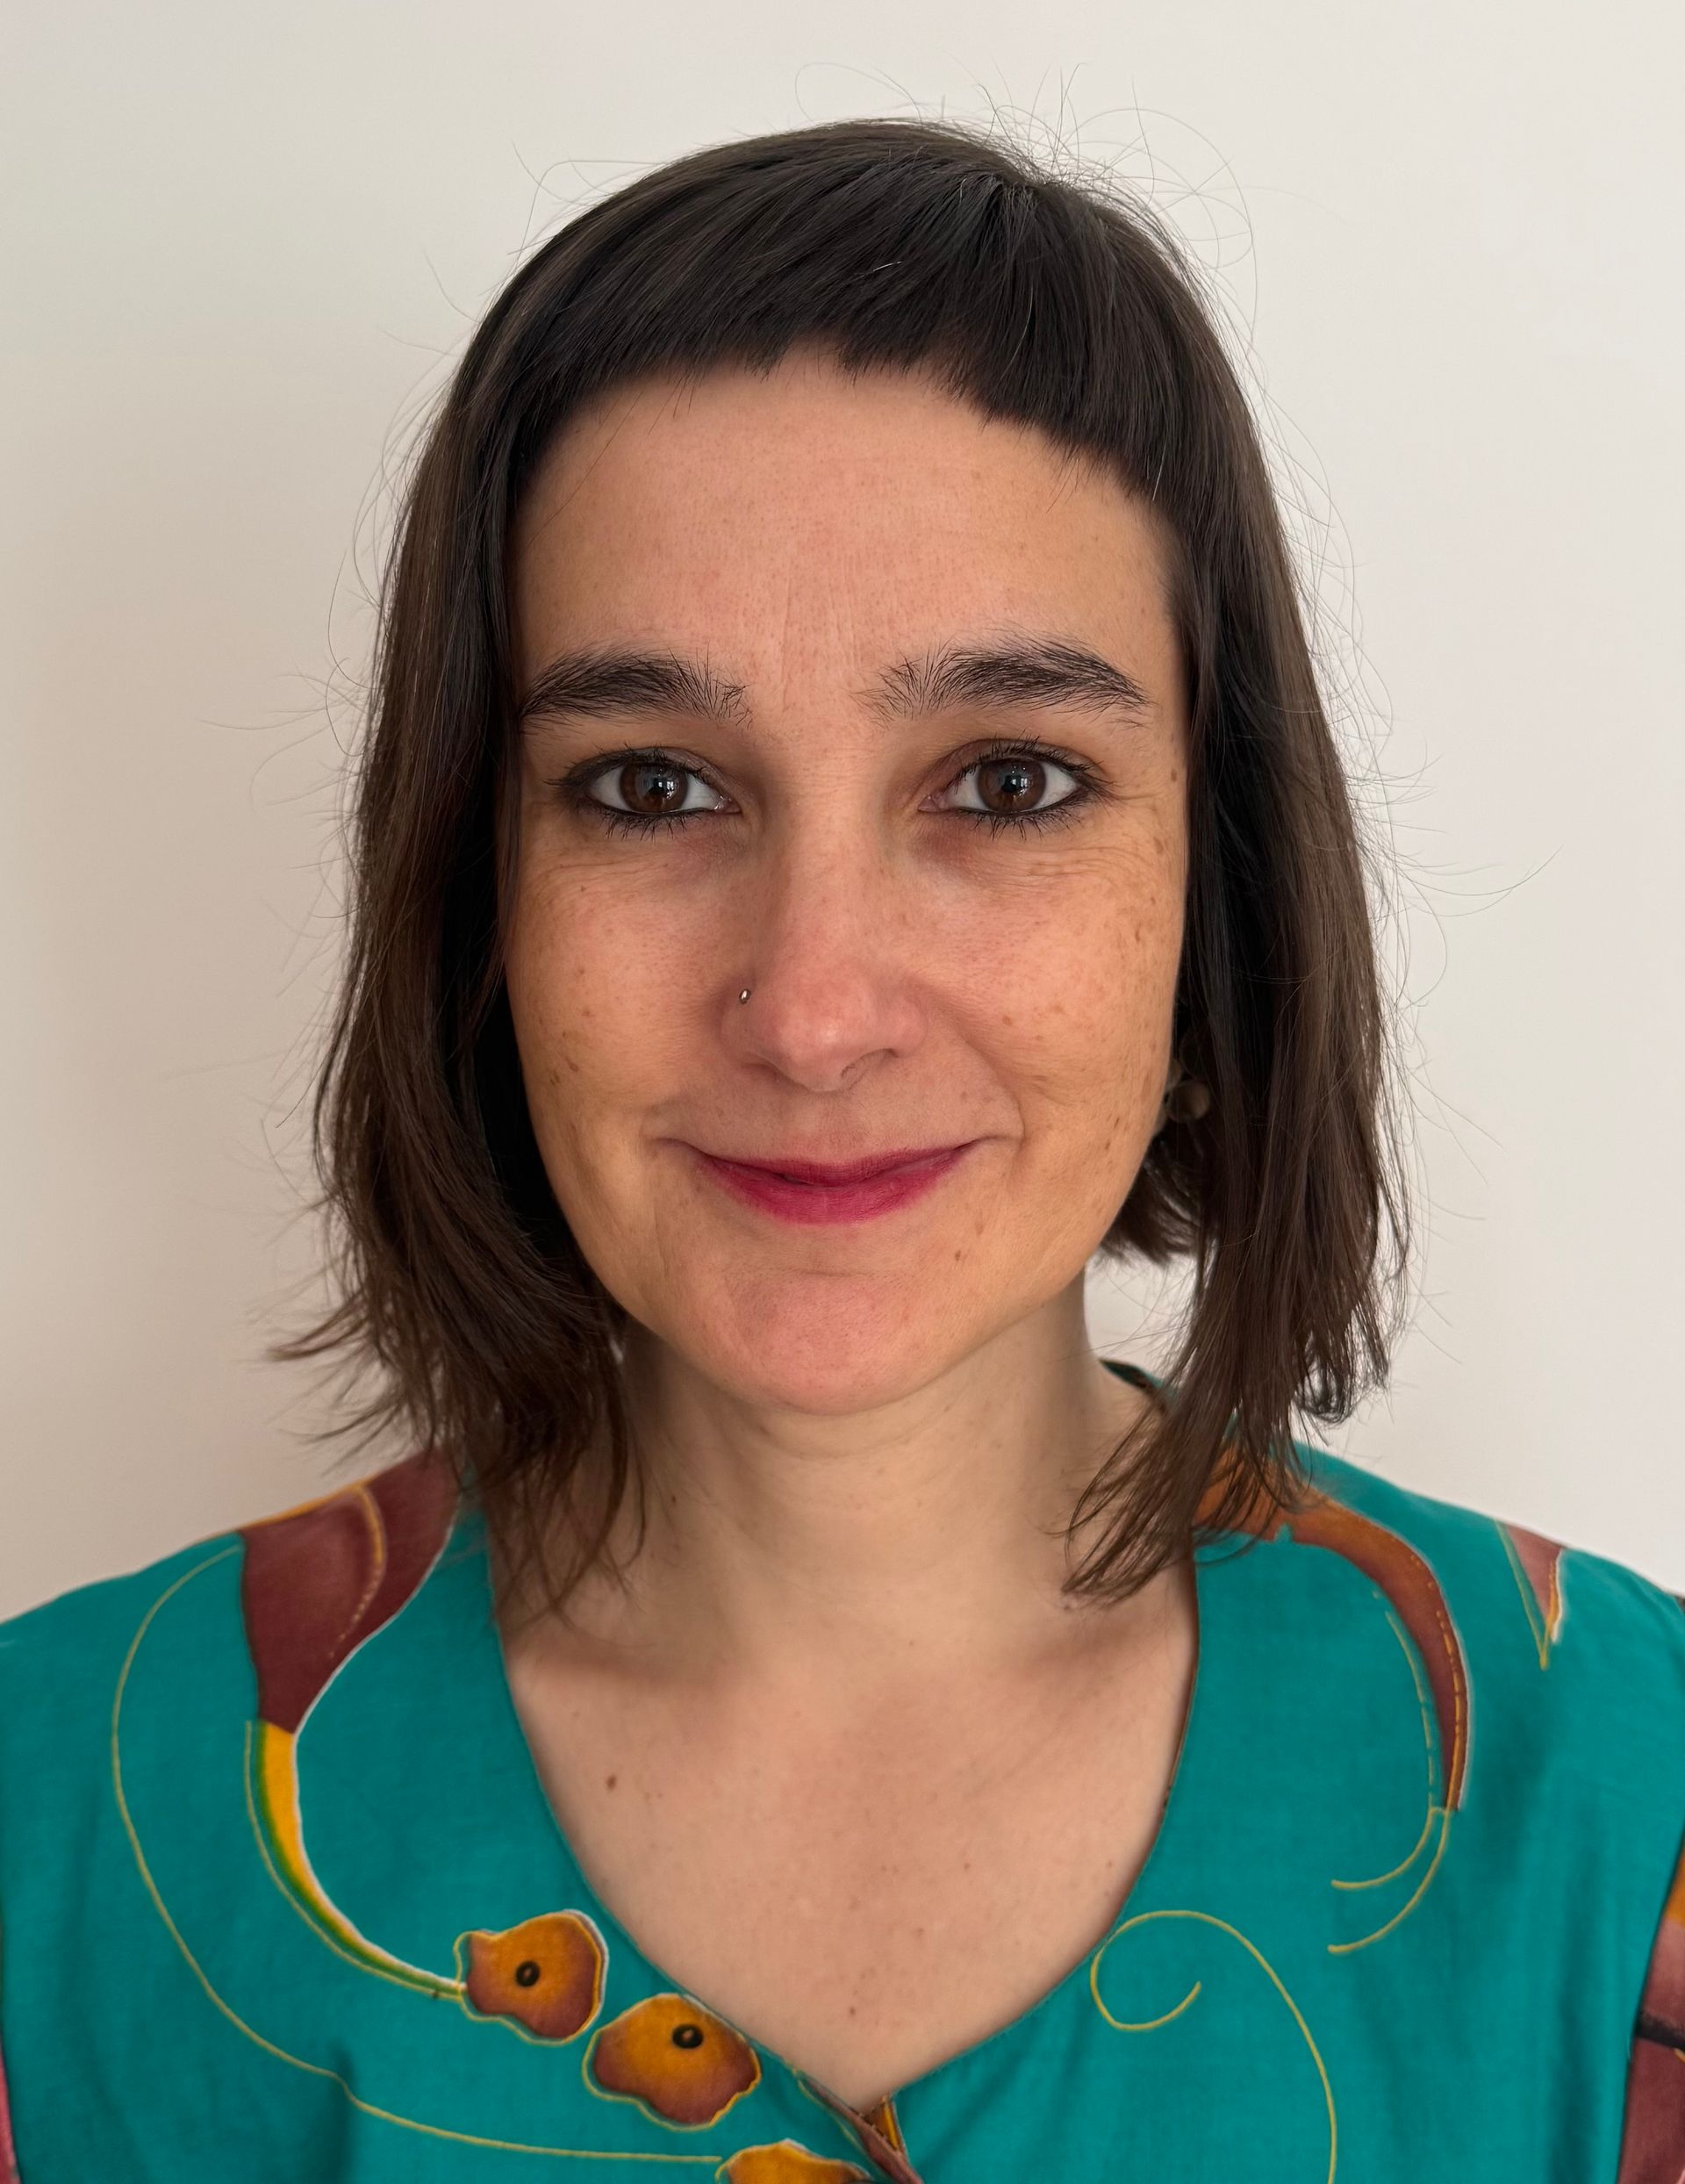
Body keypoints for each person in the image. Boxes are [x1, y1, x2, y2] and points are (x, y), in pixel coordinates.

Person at [0, 114, 1680, 2184]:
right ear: (476, 905)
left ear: (1216, 894)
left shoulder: (1631, 1816)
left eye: (1007, 781)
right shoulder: (46, 1840)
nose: (811, 1007)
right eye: (648, 786)